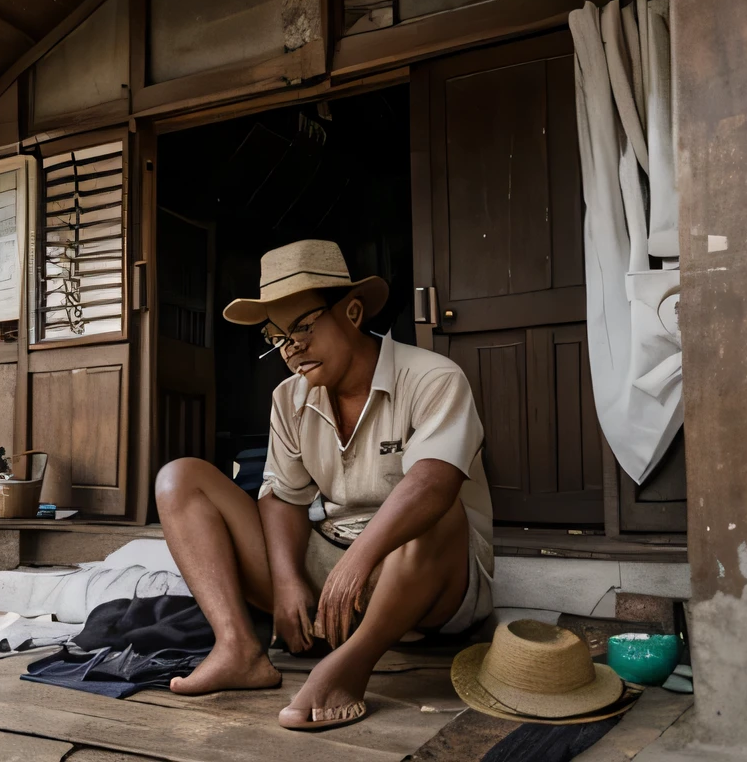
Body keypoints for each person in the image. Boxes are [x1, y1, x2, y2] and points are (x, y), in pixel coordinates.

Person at [155, 239, 494, 731]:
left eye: (303, 327)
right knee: (179, 478)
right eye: (278, 337)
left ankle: (350, 664)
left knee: (439, 514)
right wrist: (289, 578)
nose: (291, 348)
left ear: (352, 313)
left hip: (424, 578)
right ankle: (238, 648)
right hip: (333, 567)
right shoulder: (288, 398)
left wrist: (357, 563)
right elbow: (284, 498)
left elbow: (433, 484)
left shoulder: (433, 378)